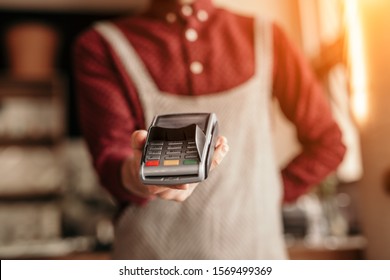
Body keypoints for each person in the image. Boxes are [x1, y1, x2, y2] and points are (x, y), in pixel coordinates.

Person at [73, 0, 346, 259]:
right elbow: (111, 158)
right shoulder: (101, 46)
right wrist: (140, 177)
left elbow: (328, 143)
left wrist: (267, 192)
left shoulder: (266, 36)